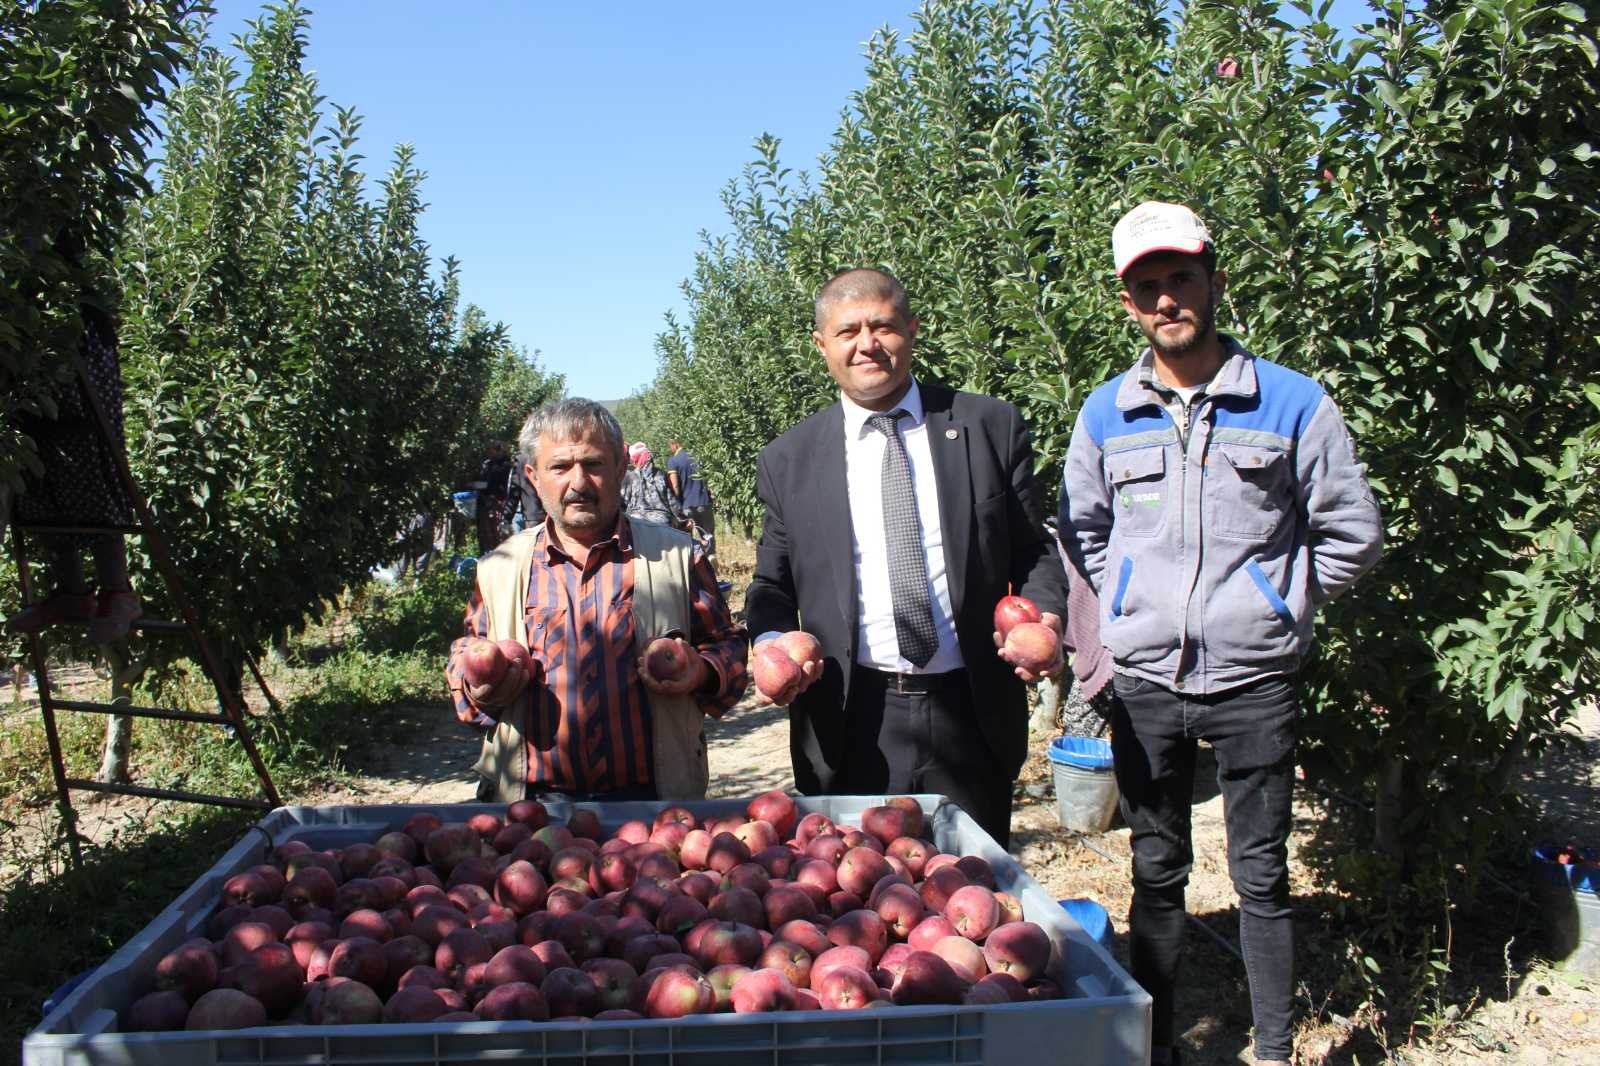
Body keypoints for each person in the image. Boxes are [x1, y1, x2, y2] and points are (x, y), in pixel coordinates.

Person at [1060, 201, 1383, 1066]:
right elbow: (1083, 533)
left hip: (1255, 679)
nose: (1167, 299)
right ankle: (1156, 1047)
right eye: (1147, 287)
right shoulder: (1105, 414)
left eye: (1181, 278)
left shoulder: (1292, 402)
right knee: (1156, 872)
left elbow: (1352, 532)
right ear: (1128, 303)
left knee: (1262, 876)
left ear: (1215, 281)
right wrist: (1127, 610)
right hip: (1147, 682)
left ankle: (1273, 1048)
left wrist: (1278, 604)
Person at [744, 268, 1069, 848]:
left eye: (883, 327)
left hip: (969, 709)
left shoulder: (987, 426)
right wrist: (771, 642)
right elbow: (772, 583)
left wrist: (1044, 614)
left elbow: (1034, 548)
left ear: (913, 330)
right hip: (853, 716)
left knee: (972, 877)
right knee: (854, 884)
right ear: (822, 344)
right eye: (847, 331)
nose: (866, 344)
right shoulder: (789, 460)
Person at [445, 399, 748, 803]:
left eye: (593, 464)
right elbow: (466, 660)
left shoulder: (676, 557)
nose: (579, 483)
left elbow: (729, 647)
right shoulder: (500, 568)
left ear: (621, 469)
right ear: (533, 477)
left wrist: (702, 671)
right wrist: (480, 687)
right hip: (531, 807)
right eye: (560, 467)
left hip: (654, 803)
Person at [7, 299, 142, 644]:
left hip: (71, 339)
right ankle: (71, 593)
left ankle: (117, 592)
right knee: (37, 478)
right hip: (26, 347)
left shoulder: (71, 295)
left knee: (88, 463)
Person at [666, 440, 716, 561]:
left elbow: (675, 486)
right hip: (704, 502)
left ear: (675, 444)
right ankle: (710, 556)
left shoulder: (673, 461)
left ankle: (691, 562)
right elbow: (710, 478)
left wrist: (675, 504)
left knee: (686, 536)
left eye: (670, 445)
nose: (670, 448)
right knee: (708, 533)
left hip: (686, 505)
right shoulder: (698, 456)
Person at [621, 442, 685, 529]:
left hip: (637, 525)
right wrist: (683, 520)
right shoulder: (661, 475)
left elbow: (621, 503)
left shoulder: (629, 477)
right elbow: (672, 502)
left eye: (633, 461)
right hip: (663, 524)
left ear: (636, 460)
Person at [476, 442, 513, 552]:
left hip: (499, 503)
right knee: (487, 532)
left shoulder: (506, 466)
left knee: (499, 531)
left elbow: (504, 485)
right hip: (486, 502)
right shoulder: (488, 465)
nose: (490, 453)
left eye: (492, 450)